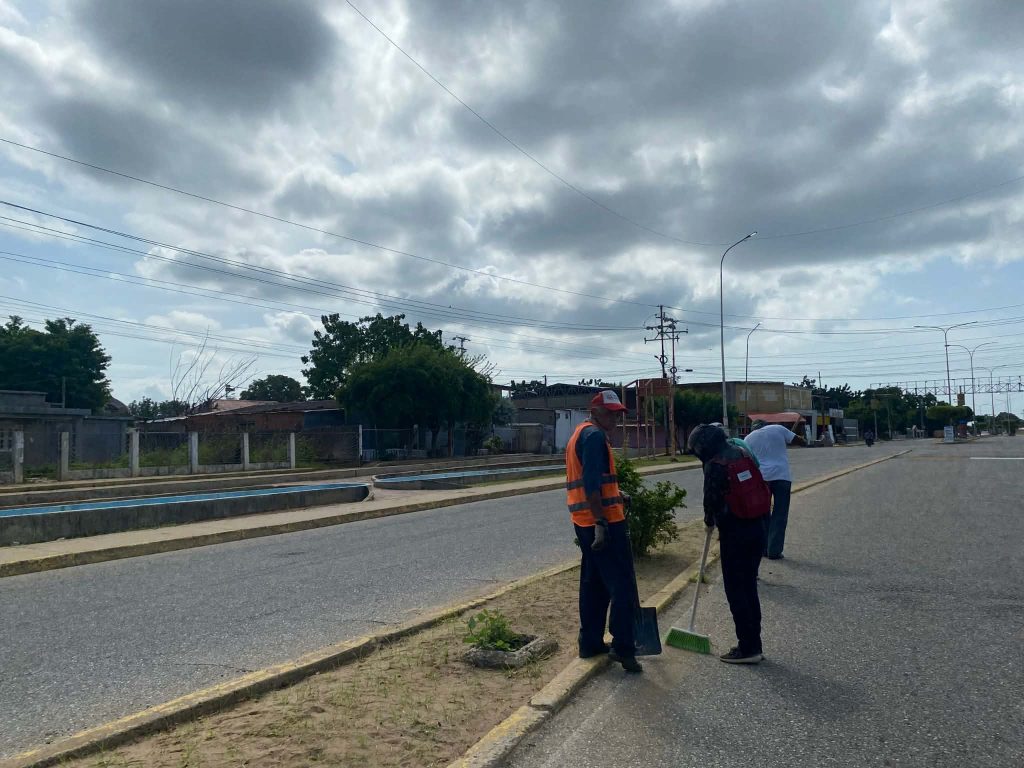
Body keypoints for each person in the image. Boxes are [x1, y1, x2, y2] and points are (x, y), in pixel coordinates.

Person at [565, 389, 642, 673]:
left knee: (594, 583)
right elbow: (590, 483)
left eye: (617, 414)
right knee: (621, 583)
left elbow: (594, 480)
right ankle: (624, 647)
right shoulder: (595, 436)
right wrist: (601, 522)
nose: (615, 419)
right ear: (595, 411)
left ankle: (590, 642)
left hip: (584, 521)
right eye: (610, 413)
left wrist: (617, 495)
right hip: (603, 523)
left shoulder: (580, 433)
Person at [687, 423, 768, 664]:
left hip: (735, 534)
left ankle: (747, 648)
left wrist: (709, 521)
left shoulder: (716, 464)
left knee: (736, 590)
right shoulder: (741, 453)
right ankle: (754, 643)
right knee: (749, 587)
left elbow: (711, 500)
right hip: (758, 527)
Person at [744, 419, 806, 560]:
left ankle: (763, 548)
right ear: (766, 425)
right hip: (782, 477)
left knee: (763, 513)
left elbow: (748, 460)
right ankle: (774, 551)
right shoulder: (778, 429)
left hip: (762, 479)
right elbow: (800, 442)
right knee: (780, 514)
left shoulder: (748, 438)